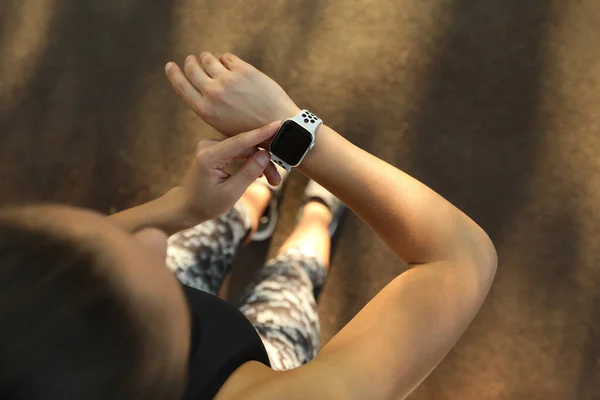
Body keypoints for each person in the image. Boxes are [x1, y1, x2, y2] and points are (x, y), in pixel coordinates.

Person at [0, 52, 497, 400]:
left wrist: (182, 207)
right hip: (270, 368)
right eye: (127, 295)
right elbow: (460, 257)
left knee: (202, 231)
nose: (154, 239)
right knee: (293, 282)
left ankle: (251, 201)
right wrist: (295, 129)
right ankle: (316, 217)